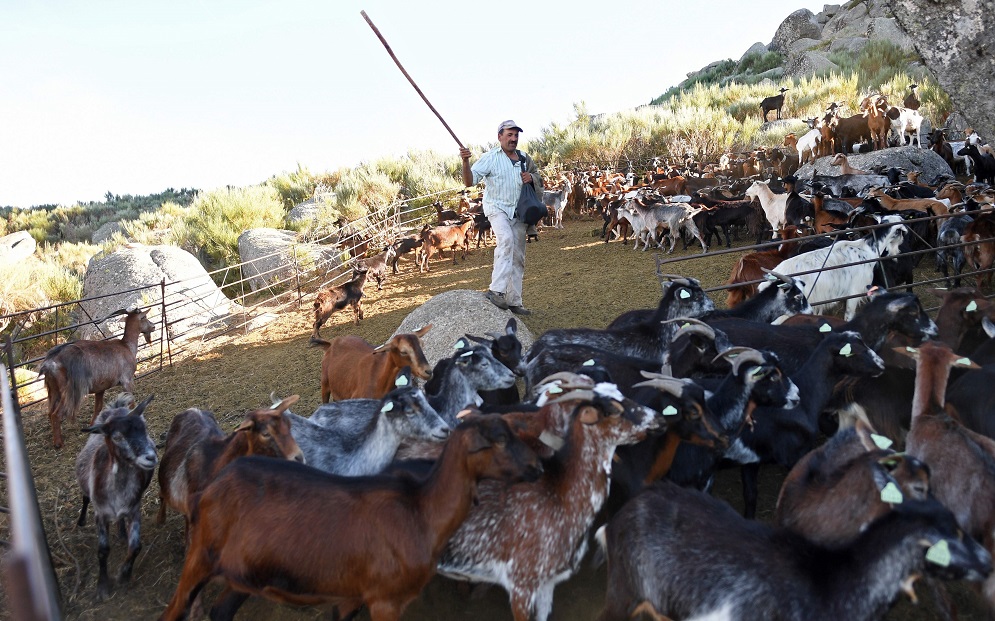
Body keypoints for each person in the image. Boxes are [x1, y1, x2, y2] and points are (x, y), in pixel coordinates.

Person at [460, 120, 543, 316]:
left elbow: (538, 175)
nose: (513, 139)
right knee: (505, 239)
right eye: (509, 135)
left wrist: (532, 178)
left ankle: (514, 301)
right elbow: (469, 181)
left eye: (516, 136)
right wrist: (465, 161)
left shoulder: (524, 157)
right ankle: (495, 291)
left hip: (519, 212)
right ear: (500, 137)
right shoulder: (490, 158)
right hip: (497, 209)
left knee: (518, 256)